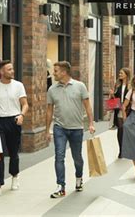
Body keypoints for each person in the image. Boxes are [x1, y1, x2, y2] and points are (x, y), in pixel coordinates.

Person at [46, 61, 95, 198]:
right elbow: (49, 111)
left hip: (76, 128)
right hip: (59, 127)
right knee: (59, 156)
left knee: (77, 157)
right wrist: (46, 130)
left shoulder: (80, 86)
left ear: (64, 72)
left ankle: (79, 179)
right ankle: (60, 186)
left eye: (55, 71)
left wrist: (91, 123)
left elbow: (87, 106)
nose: (53, 73)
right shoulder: (52, 89)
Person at [0, 60, 29, 198]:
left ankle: (15, 176)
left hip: (14, 120)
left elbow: (25, 104)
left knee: (13, 152)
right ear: (1, 72)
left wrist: (21, 115)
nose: (12, 71)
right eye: (9, 69)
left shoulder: (18, 86)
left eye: (12, 69)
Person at [109, 68, 131, 157]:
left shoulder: (131, 86)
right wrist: (112, 94)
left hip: (128, 110)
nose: (120, 74)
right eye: (119, 73)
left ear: (126, 74)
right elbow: (115, 99)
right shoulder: (118, 85)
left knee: (128, 130)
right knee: (120, 130)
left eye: (121, 73)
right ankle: (121, 150)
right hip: (119, 110)